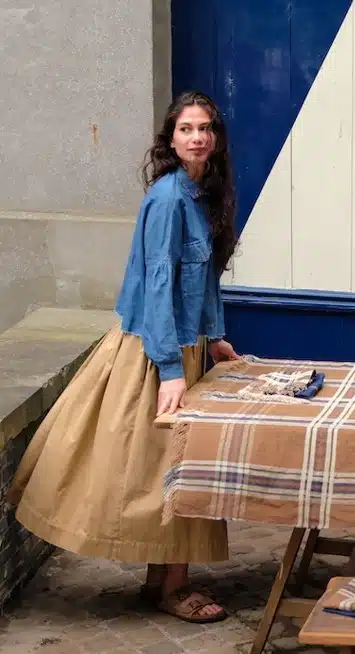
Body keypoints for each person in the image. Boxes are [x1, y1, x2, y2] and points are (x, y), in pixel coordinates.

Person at [9, 91, 240, 623]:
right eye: (186, 129)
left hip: (185, 346)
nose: (198, 137)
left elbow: (201, 278)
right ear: (170, 138)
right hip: (155, 351)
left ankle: (163, 579)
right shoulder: (167, 199)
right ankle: (173, 588)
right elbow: (158, 287)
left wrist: (214, 337)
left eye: (205, 128)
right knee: (173, 467)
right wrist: (171, 370)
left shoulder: (203, 194)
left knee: (170, 466)